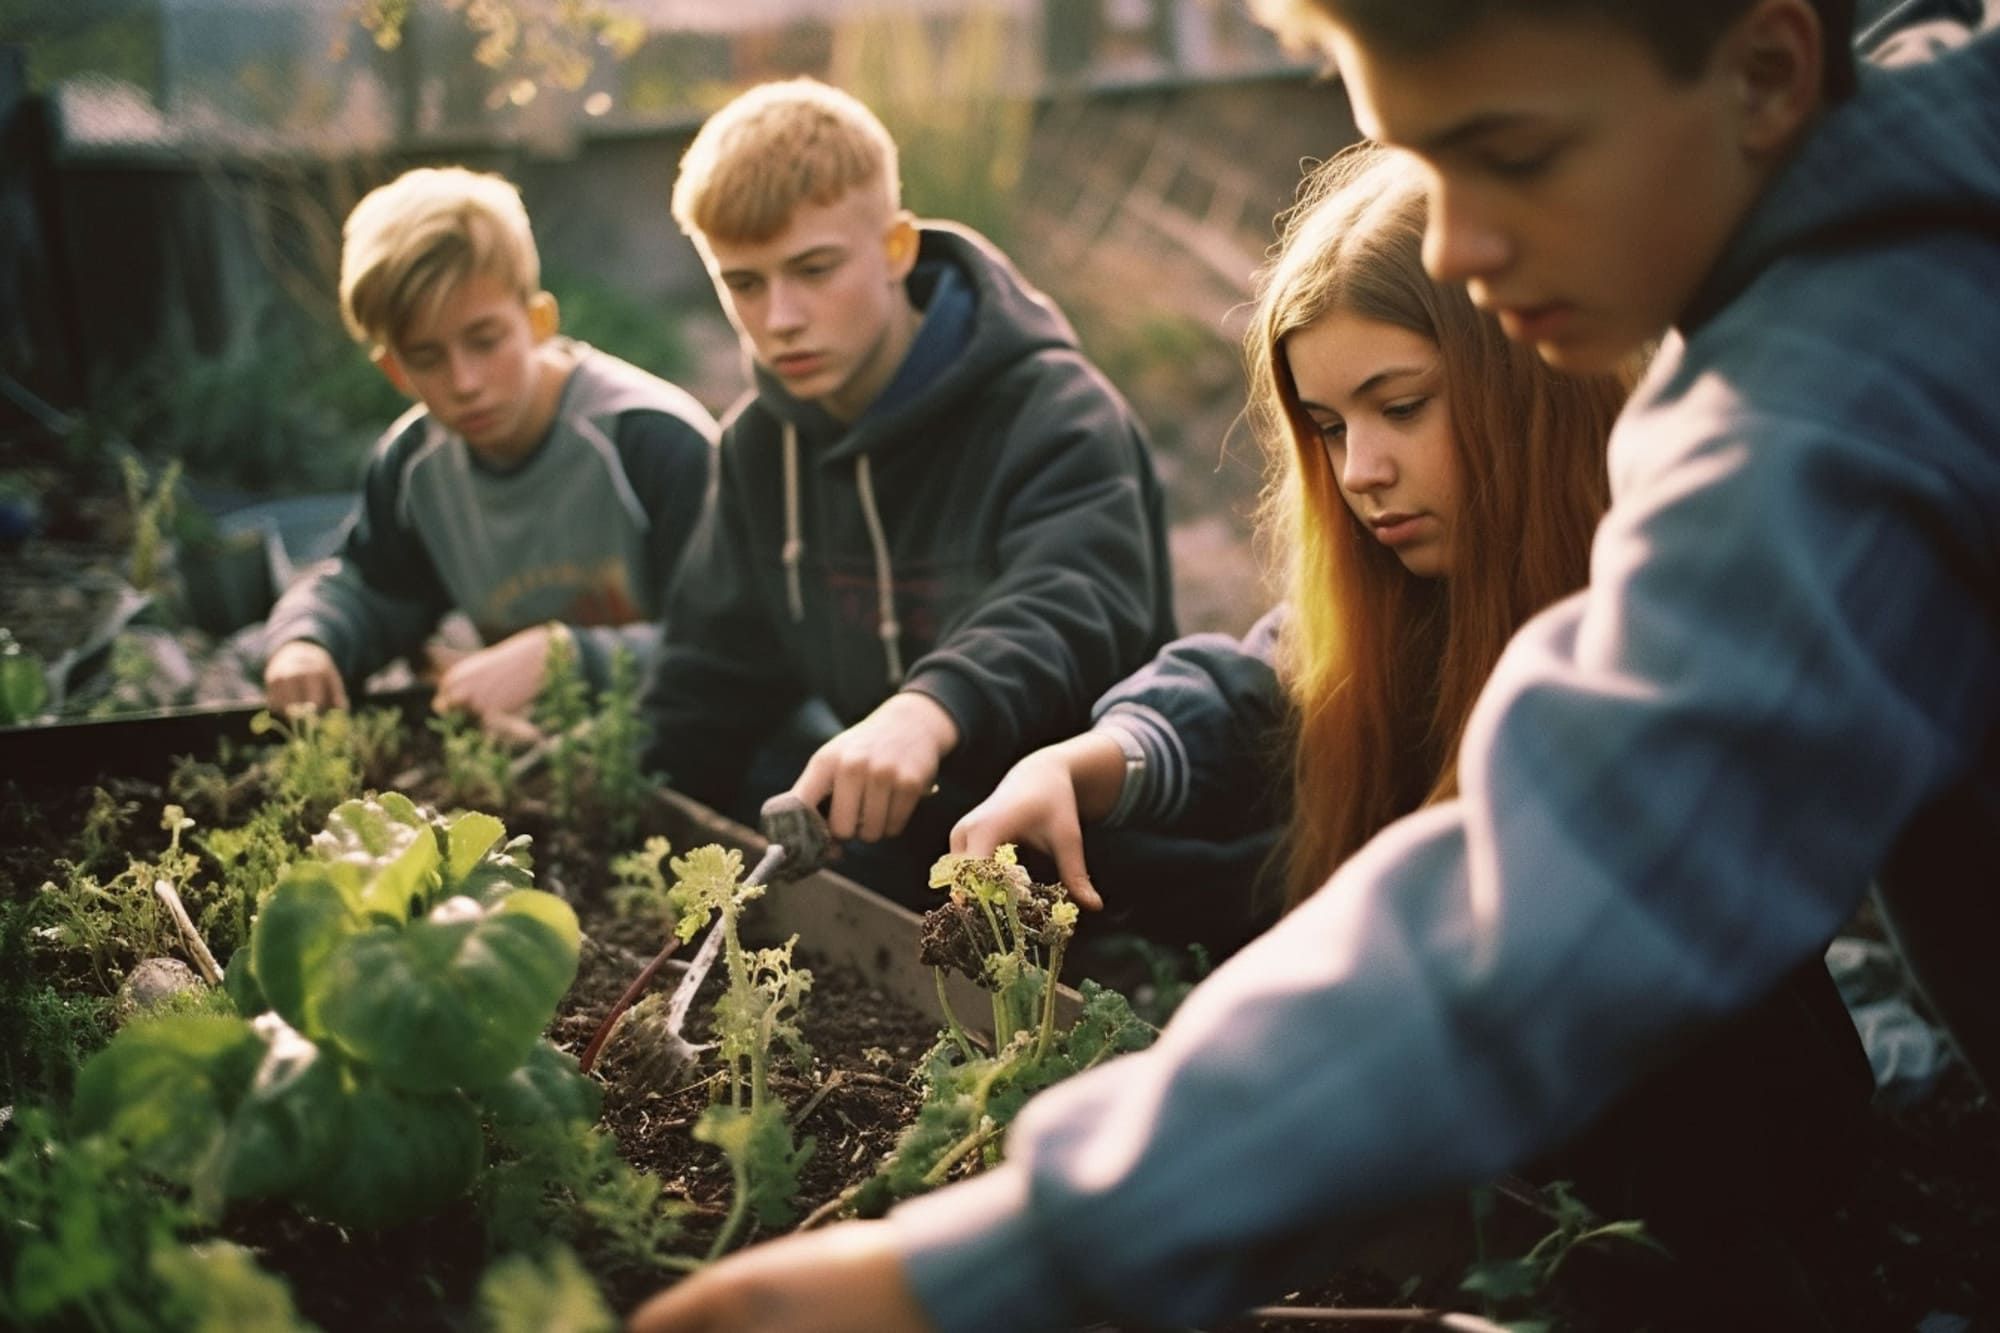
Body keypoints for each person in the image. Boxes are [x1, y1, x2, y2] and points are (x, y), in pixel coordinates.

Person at [626, 2, 2000, 1330]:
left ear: (1767, 70)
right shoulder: (1857, 251)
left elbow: (1573, 883)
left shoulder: (1853, 374)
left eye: (1507, 155)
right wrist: (1105, 754)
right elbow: (1273, 664)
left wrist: (982, 1265)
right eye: (1425, 165)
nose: (1459, 240)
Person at [949, 145, 1622, 956]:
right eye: (1330, 429)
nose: (1360, 473)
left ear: (1527, 389)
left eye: (1403, 407)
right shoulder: (1399, 596)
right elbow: (1259, 688)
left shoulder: (1644, 629)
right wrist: (1078, 763)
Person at [638, 78, 1175, 901]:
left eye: (814, 269)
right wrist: (629, 840)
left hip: (1098, 874)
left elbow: (1074, 603)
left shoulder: (1055, 411)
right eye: (743, 283)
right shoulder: (758, 446)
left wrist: (928, 707)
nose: (780, 316)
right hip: (899, 877)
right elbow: (707, 681)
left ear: (896, 248)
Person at [263, 166, 717, 732]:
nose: (465, 381)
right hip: (542, 761)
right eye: (427, 357)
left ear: (538, 322)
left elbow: (731, 648)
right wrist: (307, 641)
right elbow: (370, 592)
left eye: (485, 340)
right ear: (394, 370)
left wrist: (562, 658)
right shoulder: (412, 466)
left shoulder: (653, 442)